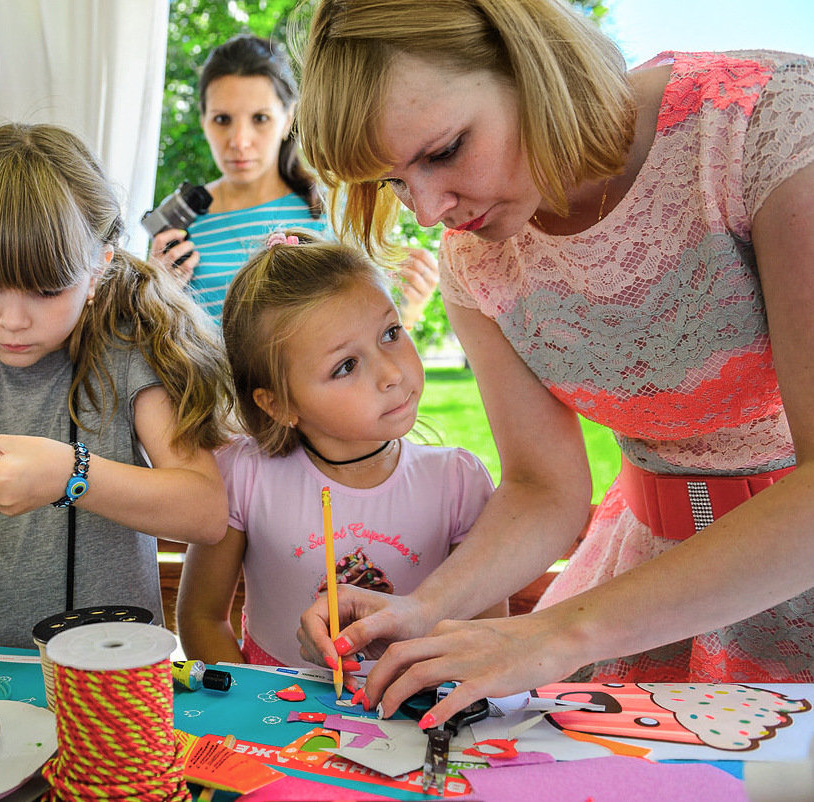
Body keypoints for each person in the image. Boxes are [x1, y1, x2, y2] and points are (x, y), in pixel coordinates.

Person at [293, 0, 814, 725]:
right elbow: (544, 488)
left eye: (443, 151)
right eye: (393, 181)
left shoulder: (767, 128)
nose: (429, 208)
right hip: (641, 574)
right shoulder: (475, 256)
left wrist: (556, 633)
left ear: (527, 59)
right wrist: (424, 608)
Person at [0, 122, 231, 648]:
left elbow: (205, 510)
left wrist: (69, 475)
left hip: (114, 685)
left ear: (98, 270)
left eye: (46, 289)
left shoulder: (131, 356)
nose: (12, 320)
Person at [177, 231, 502, 671]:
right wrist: (251, 707)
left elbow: (484, 637)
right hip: (275, 717)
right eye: (345, 366)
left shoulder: (458, 482)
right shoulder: (244, 475)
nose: (391, 372)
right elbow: (202, 617)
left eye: (391, 332)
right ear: (278, 403)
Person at [148, 33, 333, 322]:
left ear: (287, 119)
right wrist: (157, 292)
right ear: (204, 121)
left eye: (260, 118)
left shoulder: (326, 209)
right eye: (222, 119)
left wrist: (408, 307)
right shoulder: (180, 223)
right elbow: (162, 338)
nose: (239, 141)